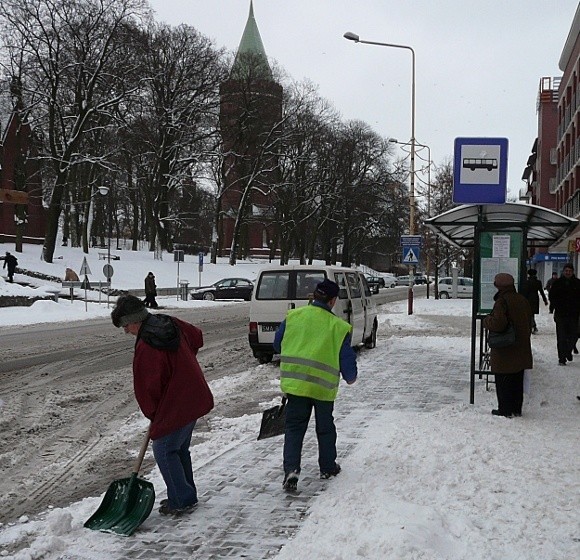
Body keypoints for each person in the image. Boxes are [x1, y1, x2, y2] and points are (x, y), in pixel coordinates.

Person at [110, 295, 214, 515]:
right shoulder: (170, 322)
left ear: (135, 320)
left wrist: (154, 414)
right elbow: (197, 337)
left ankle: (181, 500)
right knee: (178, 448)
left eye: (126, 326)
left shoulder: (148, 344)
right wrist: (182, 364)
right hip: (194, 394)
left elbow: (148, 387)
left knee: (165, 450)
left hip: (176, 403)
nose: (126, 331)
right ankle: (186, 496)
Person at [273, 279, 357, 492]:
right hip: (322, 389)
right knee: (325, 428)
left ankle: (291, 470)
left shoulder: (293, 317)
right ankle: (328, 467)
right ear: (333, 301)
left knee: (294, 428)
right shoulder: (338, 327)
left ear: (314, 296)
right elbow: (346, 358)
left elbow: (277, 343)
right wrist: (350, 376)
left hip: (297, 385)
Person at [483, 273, 533, 418]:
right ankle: (516, 409)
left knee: (504, 379)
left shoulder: (502, 301)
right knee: (517, 379)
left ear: (499, 286)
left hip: (506, 348)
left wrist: (487, 321)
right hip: (521, 345)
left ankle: (505, 409)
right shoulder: (521, 299)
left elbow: (499, 324)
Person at [548, 263, 580, 365]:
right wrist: (554, 306)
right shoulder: (558, 283)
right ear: (563, 271)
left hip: (574, 314)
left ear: (573, 272)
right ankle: (562, 358)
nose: (568, 273)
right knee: (561, 337)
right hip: (560, 314)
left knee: (573, 335)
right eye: (566, 271)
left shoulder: (577, 283)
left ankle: (568, 351)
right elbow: (552, 296)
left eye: (570, 271)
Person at [520, 269, 548, 333]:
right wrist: (545, 300)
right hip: (535, 298)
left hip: (528, 298)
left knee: (529, 313)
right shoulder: (538, 282)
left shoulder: (527, 282)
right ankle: (533, 326)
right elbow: (541, 292)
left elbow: (524, 291)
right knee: (532, 313)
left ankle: (533, 325)